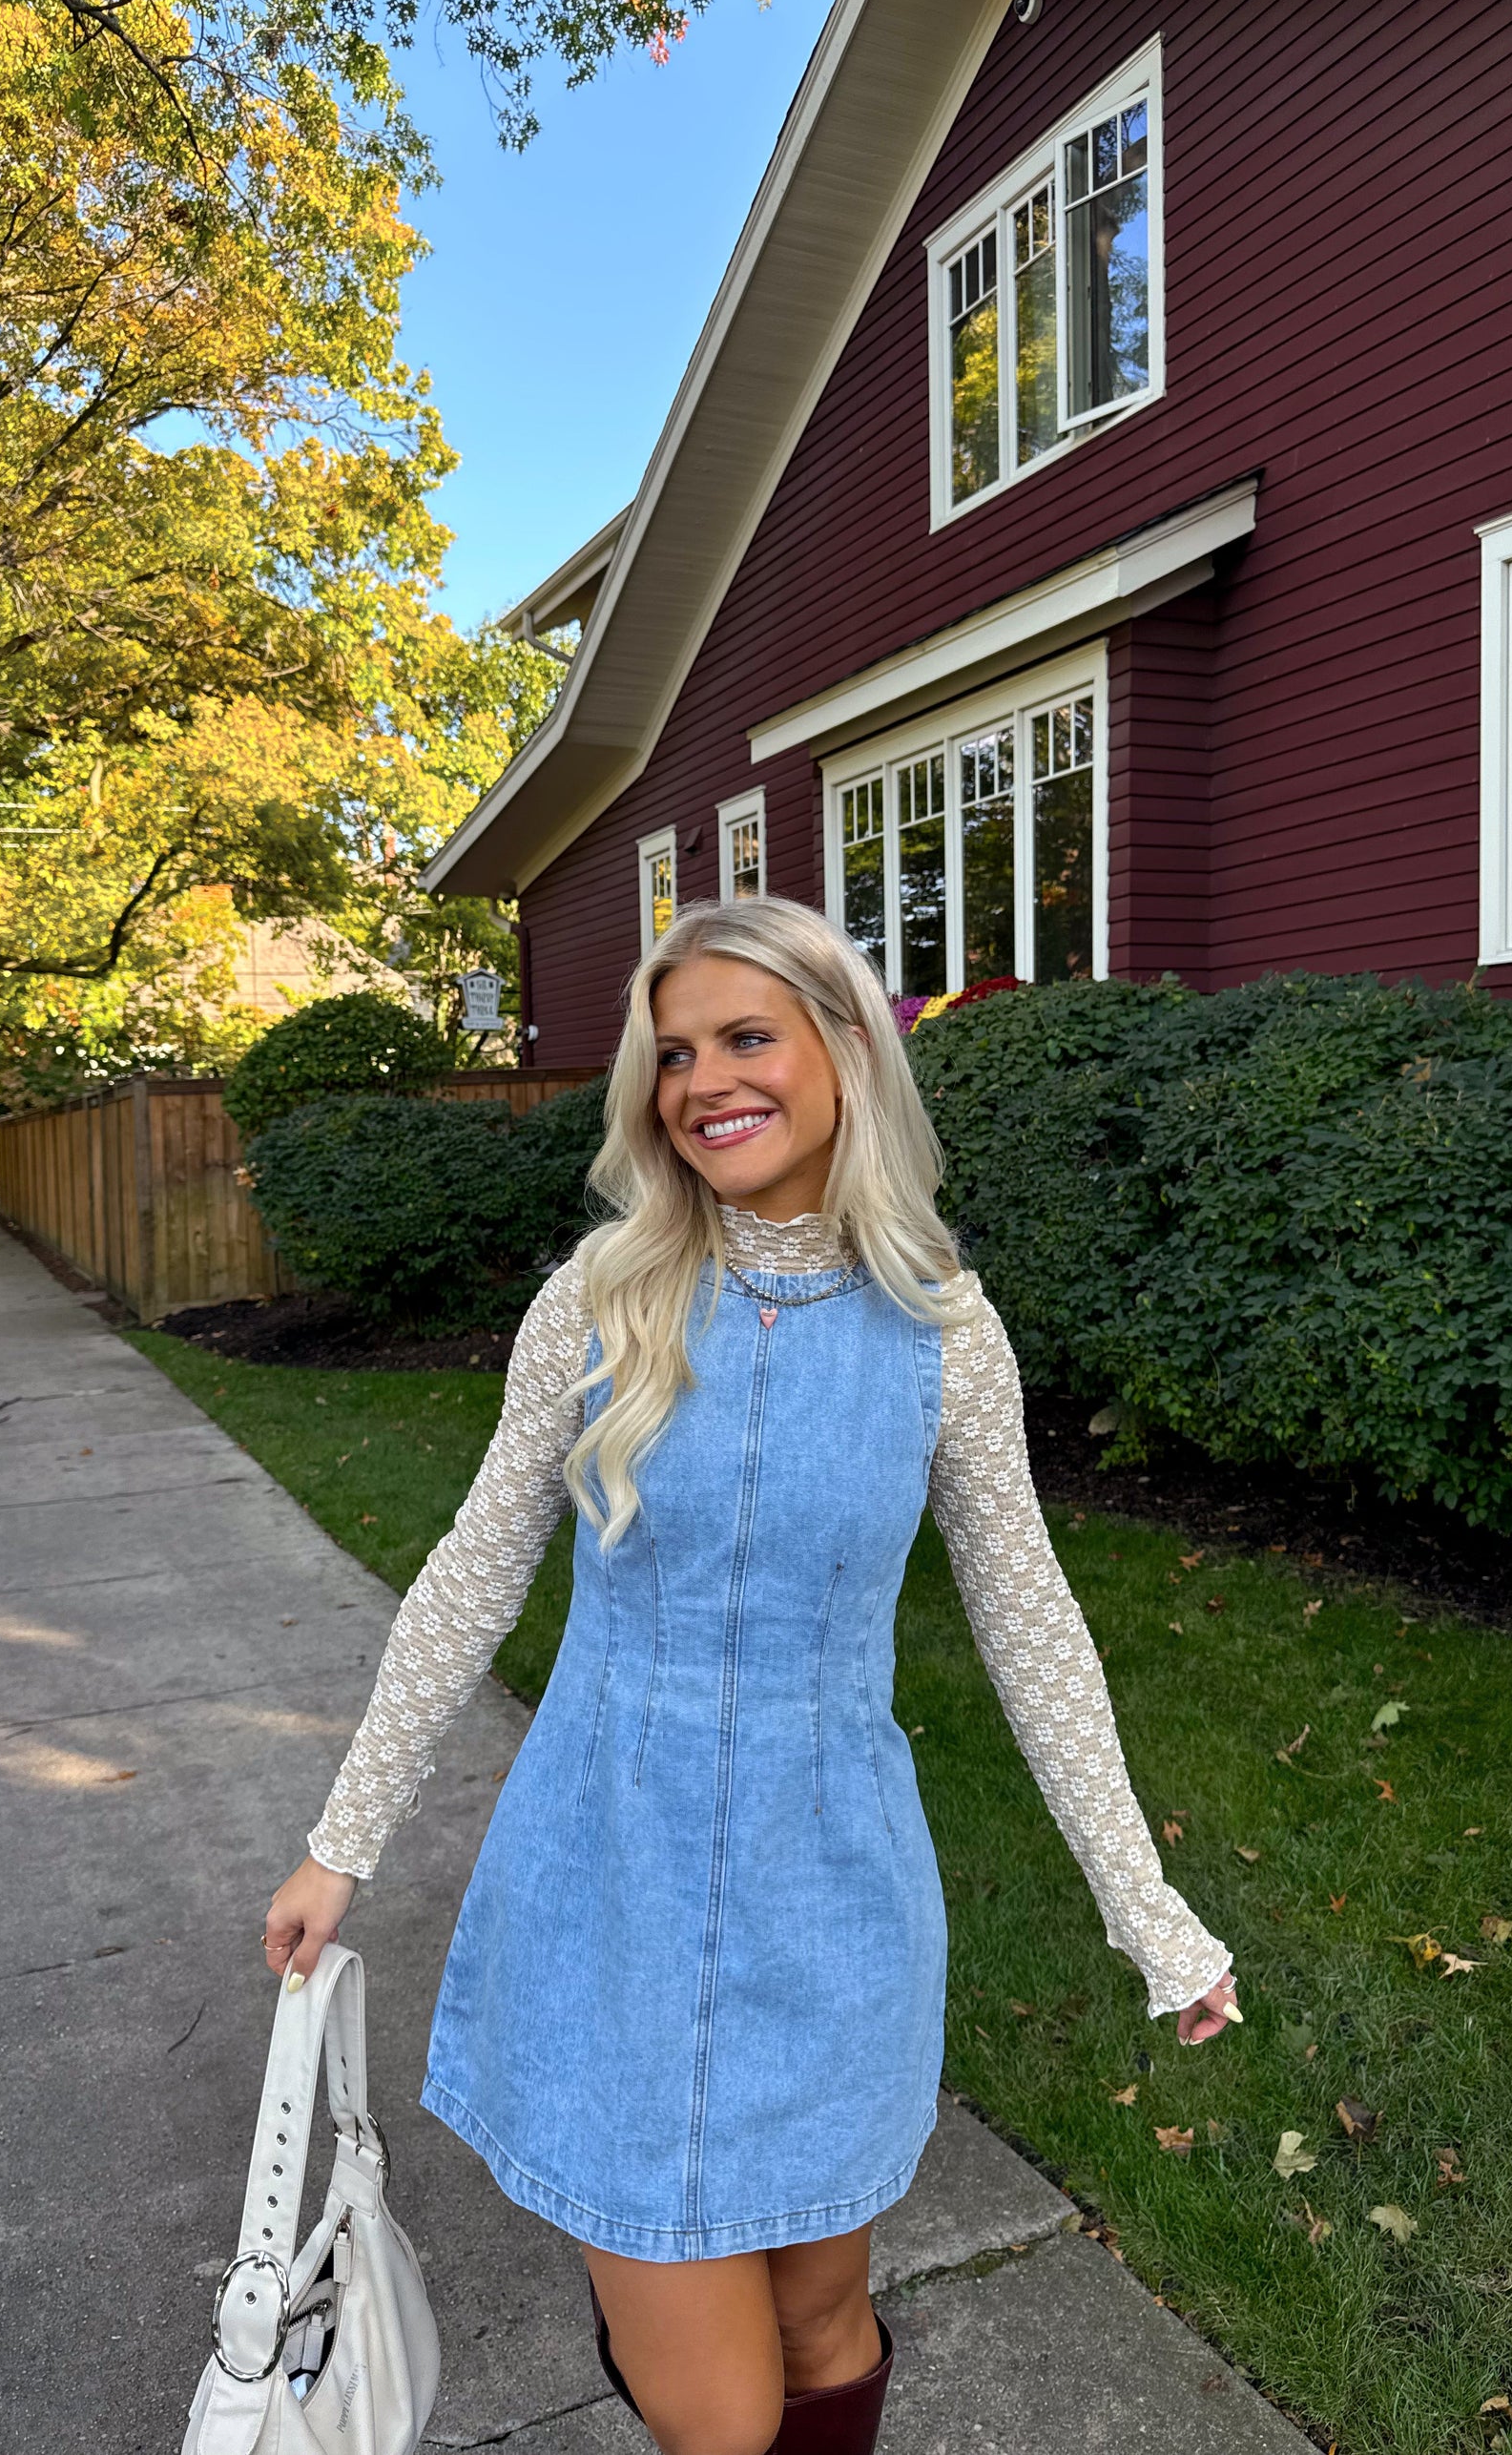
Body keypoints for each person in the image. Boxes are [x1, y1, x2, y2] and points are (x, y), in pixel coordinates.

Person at [263, 897, 1236, 2455]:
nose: (701, 1081)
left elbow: (1032, 1620)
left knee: (819, 2320)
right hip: (609, 1882)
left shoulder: (944, 1329)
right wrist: (343, 1840)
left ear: (844, 1049)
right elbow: (472, 1571)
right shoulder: (598, 1297)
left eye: (742, 1038)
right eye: (672, 1055)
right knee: (722, 2416)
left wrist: (1144, 1906)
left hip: (832, 1890)